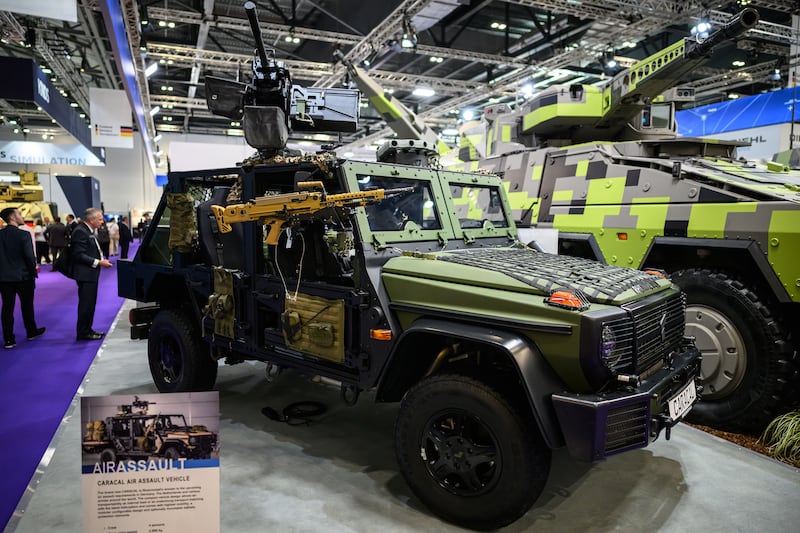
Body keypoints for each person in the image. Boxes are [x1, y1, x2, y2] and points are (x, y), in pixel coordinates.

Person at [0, 207, 46, 349]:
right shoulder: (23, 235)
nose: (21, 216)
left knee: (7, 308)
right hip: (23, 276)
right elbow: (29, 257)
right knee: (27, 305)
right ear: (13, 218)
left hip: (4, 278)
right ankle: (31, 331)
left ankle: (9, 339)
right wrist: (33, 273)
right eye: (19, 214)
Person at [71, 208, 112, 341]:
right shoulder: (80, 231)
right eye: (100, 219)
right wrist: (98, 262)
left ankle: (87, 329)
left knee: (89, 304)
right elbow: (78, 255)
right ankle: (83, 332)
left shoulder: (86, 230)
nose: (102, 221)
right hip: (85, 274)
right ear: (91, 220)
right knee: (86, 304)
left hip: (89, 273)